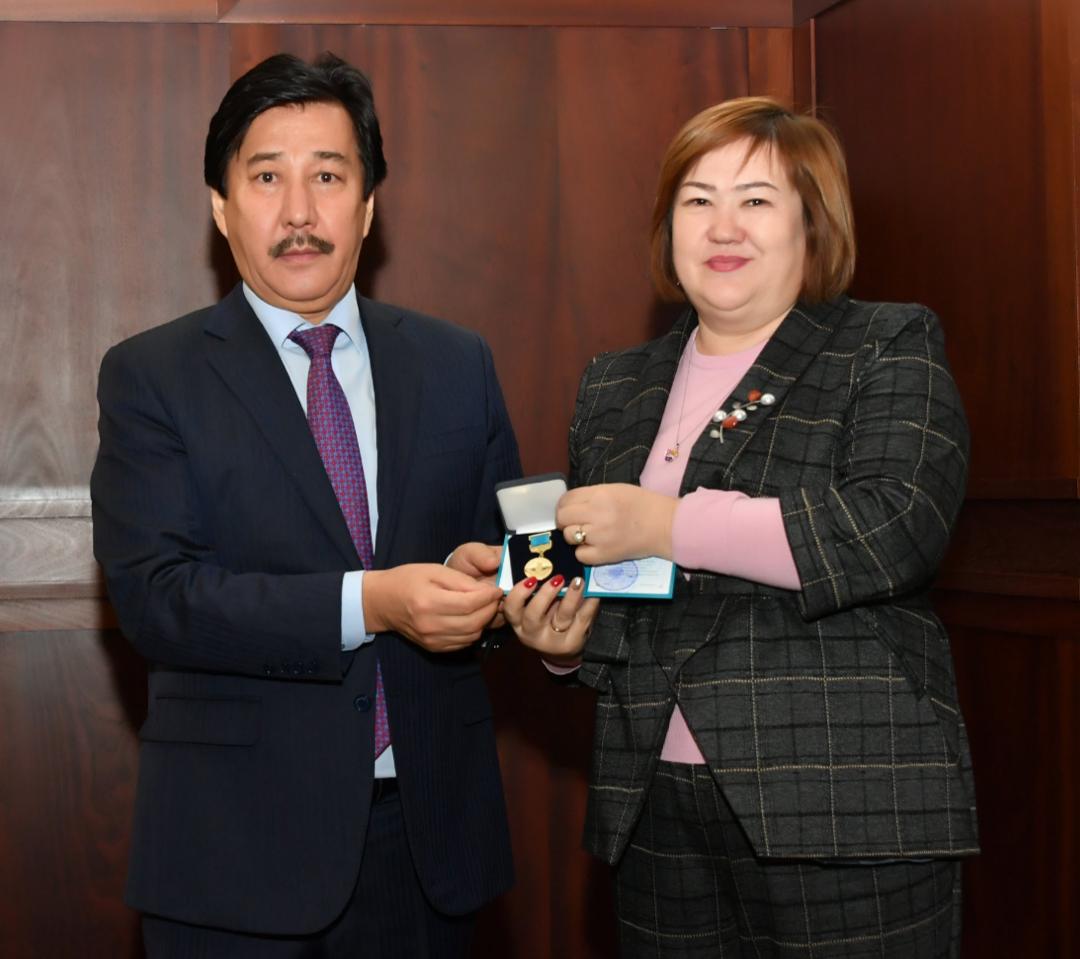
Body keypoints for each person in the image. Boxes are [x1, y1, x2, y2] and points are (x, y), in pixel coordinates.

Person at [504, 97, 978, 957]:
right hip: (654, 813)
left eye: (756, 199)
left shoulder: (883, 342)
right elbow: (623, 588)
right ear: (668, 228)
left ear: (812, 222)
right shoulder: (617, 385)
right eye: (698, 200)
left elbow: (893, 527)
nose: (723, 225)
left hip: (839, 804)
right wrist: (560, 638)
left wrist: (667, 522)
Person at [91, 52, 520, 957]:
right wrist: (373, 601)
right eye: (266, 178)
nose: (299, 211)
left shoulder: (457, 363)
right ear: (221, 207)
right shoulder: (152, 375)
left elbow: (497, 563)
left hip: (427, 846)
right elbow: (158, 599)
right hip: (234, 854)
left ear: (368, 205)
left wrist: (515, 608)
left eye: (328, 176)